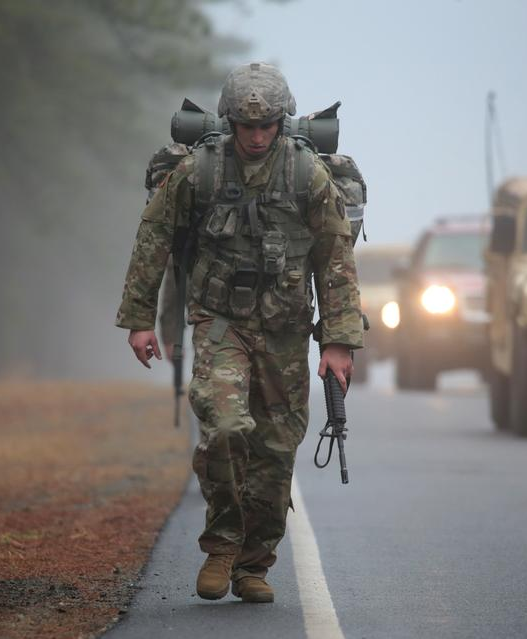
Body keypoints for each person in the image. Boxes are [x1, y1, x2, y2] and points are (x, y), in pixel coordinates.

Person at [115, 62, 363, 603]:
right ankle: (223, 544)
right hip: (220, 320)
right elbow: (154, 237)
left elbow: (336, 256)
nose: (256, 136)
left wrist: (339, 341)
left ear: (281, 122)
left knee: (276, 448)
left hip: (286, 329)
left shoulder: (306, 175)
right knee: (226, 425)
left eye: (266, 125)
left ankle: (254, 565)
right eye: (246, 126)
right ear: (229, 122)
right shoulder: (199, 171)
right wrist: (139, 318)